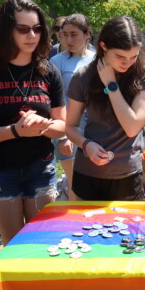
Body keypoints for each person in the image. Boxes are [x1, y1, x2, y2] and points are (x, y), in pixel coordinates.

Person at [0, 0, 67, 246]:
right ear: (6, 30)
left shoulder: (48, 70)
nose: (31, 35)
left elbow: (62, 125)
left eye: (37, 28)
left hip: (40, 169)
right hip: (0, 171)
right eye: (23, 29)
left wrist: (42, 126)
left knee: (42, 245)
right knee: (15, 248)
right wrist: (15, 131)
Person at [65, 16, 145, 201]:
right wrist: (86, 145)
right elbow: (70, 127)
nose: (127, 62)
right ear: (103, 46)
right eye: (120, 56)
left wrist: (111, 84)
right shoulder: (83, 76)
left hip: (127, 174)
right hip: (87, 173)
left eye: (134, 56)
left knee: (128, 229)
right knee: (84, 229)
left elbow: (132, 127)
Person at [50, 13, 96, 197]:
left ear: (87, 35)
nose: (68, 39)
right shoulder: (56, 62)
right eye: (64, 34)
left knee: (92, 183)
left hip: (94, 130)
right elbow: (55, 102)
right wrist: (64, 136)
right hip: (67, 129)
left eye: (73, 34)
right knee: (75, 184)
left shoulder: (97, 61)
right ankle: (75, 224)